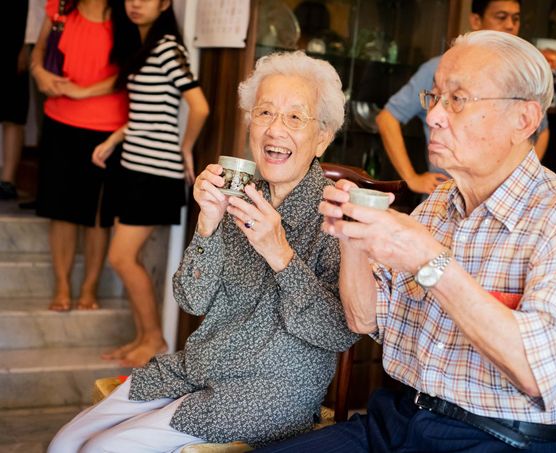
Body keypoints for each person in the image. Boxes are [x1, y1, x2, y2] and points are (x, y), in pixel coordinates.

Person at [259, 30, 556, 453]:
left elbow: (540, 371)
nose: (434, 116)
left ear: (524, 119)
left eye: (458, 100)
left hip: (499, 439)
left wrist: (430, 259)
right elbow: (364, 320)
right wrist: (352, 233)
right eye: (436, 97)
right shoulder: (439, 204)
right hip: (397, 422)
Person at [47, 51, 359, 452]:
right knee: (64, 443)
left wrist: (280, 254)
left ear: (323, 137)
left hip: (269, 393)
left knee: (102, 450)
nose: (274, 129)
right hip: (199, 367)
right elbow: (191, 300)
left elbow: (338, 331)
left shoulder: (336, 215)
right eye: (264, 113)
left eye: (295, 118)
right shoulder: (240, 193)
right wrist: (207, 222)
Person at [90, 0, 209, 367]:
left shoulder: (167, 47)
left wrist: (185, 147)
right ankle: (144, 337)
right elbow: (147, 115)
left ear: (165, 4)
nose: (136, 3)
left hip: (154, 173)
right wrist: (114, 139)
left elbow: (199, 106)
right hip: (133, 168)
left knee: (121, 257)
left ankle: (155, 340)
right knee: (129, 257)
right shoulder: (147, 48)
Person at [376, 0, 551, 196]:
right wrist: (411, 178)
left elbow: (541, 130)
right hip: (445, 190)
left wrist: (519, 178)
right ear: (476, 20)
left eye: (516, 18)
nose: (510, 25)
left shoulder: (521, 78)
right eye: (501, 17)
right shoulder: (442, 67)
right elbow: (387, 118)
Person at [31, 0, 129, 311]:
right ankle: (62, 285)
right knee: (61, 210)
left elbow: (130, 70)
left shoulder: (126, 14)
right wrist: (38, 72)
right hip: (59, 119)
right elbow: (39, 48)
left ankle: (89, 287)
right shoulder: (59, 7)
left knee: (97, 215)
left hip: (107, 128)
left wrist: (83, 92)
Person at [0, 1, 30, 200]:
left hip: (14, 40)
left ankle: (7, 181)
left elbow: (35, 9)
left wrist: (27, 46)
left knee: (13, 112)